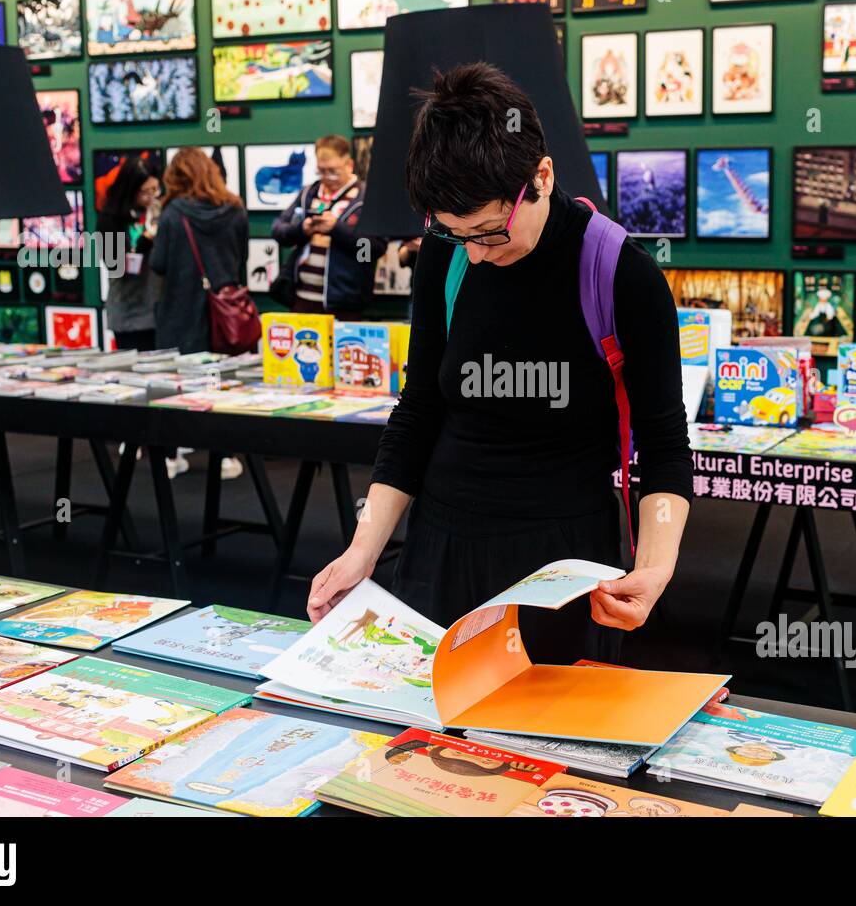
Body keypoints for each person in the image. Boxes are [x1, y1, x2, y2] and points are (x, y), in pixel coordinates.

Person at [304, 63, 693, 664]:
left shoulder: (622, 274)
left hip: (560, 560)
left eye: (489, 232)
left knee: (546, 741)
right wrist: (362, 550)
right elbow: (419, 408)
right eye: (456, 235)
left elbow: (664, 441)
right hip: (440, 545)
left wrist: (655, 567)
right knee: (420, 742)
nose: (478, 255)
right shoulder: (448, 252)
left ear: (541, 176)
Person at [148, 147, 250, 481]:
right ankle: (224, 457)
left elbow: (159, 264)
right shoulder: (235, 210)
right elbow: (241, 258)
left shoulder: (173, 213)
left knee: (176, 388)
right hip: (223, 314)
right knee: (221, 386)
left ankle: (172, 456)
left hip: (179, 312)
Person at [270, 135, 385, 317]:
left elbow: (374, 249)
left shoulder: (365, 198)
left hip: (344, 302)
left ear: (349, 165)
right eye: (321, 171)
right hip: (301, 298)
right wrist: (302, 229)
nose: (327, 177)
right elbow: (277, 230)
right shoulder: (309, 193)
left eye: (333, 171)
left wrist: (336, 229)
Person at [98, 157, 161, 352]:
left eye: (155, 189)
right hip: (129, 312)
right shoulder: (109, 220)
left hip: (158, 309)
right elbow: (115, 265)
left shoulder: (156, 211)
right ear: (131, 190)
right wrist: (144, 241)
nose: (151, 196)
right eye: (145, 192)